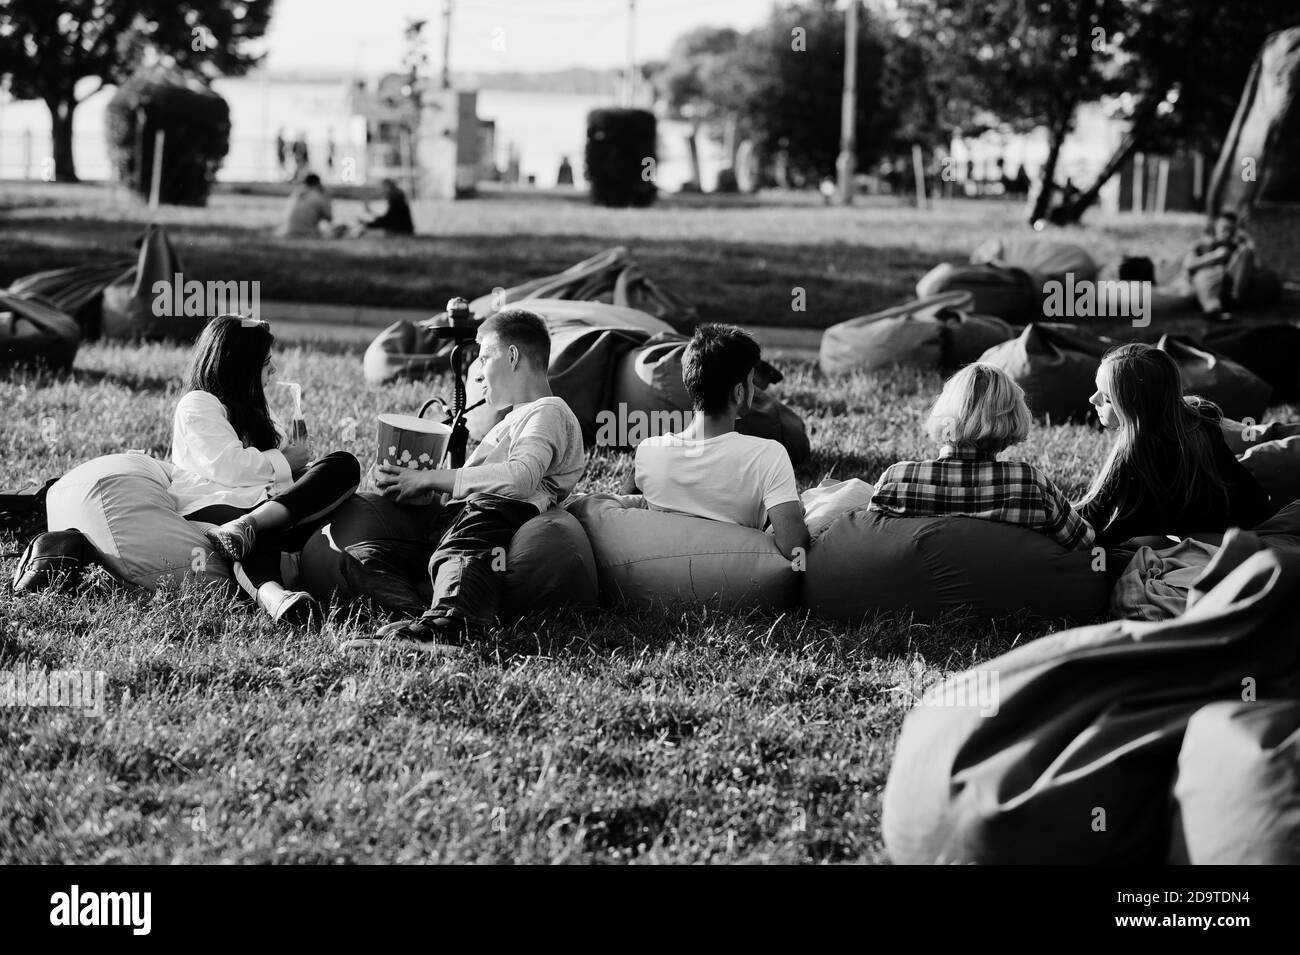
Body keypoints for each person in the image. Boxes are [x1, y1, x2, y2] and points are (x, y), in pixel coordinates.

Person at [340, 308, 586, 655]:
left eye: (484, 358)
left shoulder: (547, 410)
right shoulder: (515, 418)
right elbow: (474, 483)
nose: (479, 373)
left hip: (493, 518)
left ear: (512, 356)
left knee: (460, 553)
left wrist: (430, 477)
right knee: (363, 558)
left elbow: (520, 477)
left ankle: (451, 629)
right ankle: (423, 622)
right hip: (455, 525)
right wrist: (417, 489)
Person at [170, 316, 361, 626]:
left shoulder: (253, 407)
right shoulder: (197, 404)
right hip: (218, 503)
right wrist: (286, 462)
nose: (274, 371)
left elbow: (280, 456)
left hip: (261, 507)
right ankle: (276, 596)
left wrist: (298, 464)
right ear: (240, 366)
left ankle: (251, 528)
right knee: (258, 533)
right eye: (265, 363)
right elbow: (230, 467)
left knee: (343, 464)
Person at [622, 324, 808, 561]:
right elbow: (795, 548)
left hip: (658, 570)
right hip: (738, 575)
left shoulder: (648, 451)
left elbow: (625, 515)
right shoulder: (769, 455)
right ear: (739, 392)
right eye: (751, 382)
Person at [869, 363, 1095, 551]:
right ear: (1012, 417)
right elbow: (1083, 542)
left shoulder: (896, 480)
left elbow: (869, 546)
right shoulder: (1029, 484)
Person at [1078, 343, 1271, 552]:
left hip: (1229, 545)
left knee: (1138, 547)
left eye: (1107, 398)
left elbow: (1094, 530)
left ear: (1135, 408)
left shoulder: (1136, 463)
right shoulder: (1196, 419)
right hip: (1253, 519)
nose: (1092, 399)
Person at [1183, 211, 1258, 321]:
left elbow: (1256, 266)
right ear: (1216, 226)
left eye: (1232, 230)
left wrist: (1249, 241)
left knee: (1247, 252)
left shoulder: (1238, 248)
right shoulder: (1202, 244)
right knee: (1208, 274)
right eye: (1225, 229)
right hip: (1207, 284)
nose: (1228, 234)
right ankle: (1213, 309)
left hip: (1230, 288)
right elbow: (1188, 264)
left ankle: (1232, 301)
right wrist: (1214, 256)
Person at [275, 173, 334, 238]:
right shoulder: (317, 196)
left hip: (289, 231)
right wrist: (327, 197)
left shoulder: (298, 193)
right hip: (307, 233)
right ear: (318, 184)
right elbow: (329, 218)